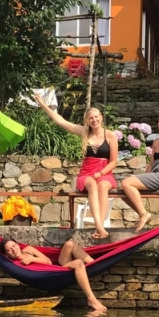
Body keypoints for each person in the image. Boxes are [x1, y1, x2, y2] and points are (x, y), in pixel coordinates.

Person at [34, 92, 117, 240]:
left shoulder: (110, 135)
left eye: (96, 116)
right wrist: (43, 105)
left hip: (104, 172)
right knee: (92, 185)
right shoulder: (84, 132)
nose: (94, 120)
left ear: (101, 117)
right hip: (87, 172)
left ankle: (100, 226)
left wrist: (101, 173)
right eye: (90, 118)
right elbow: (61, 121)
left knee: (103, 185)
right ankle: (99, 227)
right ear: (87, 121)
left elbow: (114, 161)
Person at [0, 236, 107, 312]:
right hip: (56, 274)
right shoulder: (14, 264)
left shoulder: (28, 250)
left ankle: (95, 265)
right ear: (6, 255)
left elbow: (48, 261)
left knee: (69, 244)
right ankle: (92, 300)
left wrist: (32, 259)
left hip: (58, 266)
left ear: (17, 244)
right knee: (78, 263)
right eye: (9, 250)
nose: (13, 250)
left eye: (14, 245)